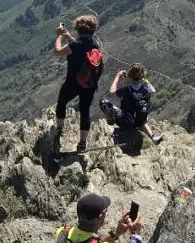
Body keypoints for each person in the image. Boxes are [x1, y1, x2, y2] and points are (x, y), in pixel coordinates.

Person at [53, 14, 104, 153]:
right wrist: (69, 37)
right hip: (90, 84)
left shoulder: (76, 45)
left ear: (78, 28)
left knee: (61, 103)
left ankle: (59, 129)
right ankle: (82, 144)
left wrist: (59, 35)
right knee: (85, 111)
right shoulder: (96, 43)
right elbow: (83, 48)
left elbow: (58, 52)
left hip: (73, 82)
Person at [100, 63, 164, 145]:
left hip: (127, 123)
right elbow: (153, 90)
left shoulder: (126, 89)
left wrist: (117, 77)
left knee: (103, 102)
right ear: (142, 76)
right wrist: (144, 80)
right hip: (139, 120)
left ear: (129, 76)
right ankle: (152, 136)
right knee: (139, 114)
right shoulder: (146, 90)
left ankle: (111, 121)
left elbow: (111, 93)